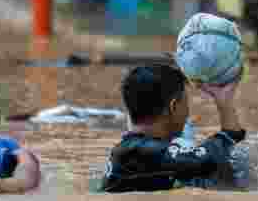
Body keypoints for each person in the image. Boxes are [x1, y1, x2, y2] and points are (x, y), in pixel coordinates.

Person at [100, 61, 246, 193]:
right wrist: (224, 102)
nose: (187, 113)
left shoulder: (134, 149)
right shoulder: (136, 151)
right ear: (174, 106)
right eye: (186, 103)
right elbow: (206, 160)